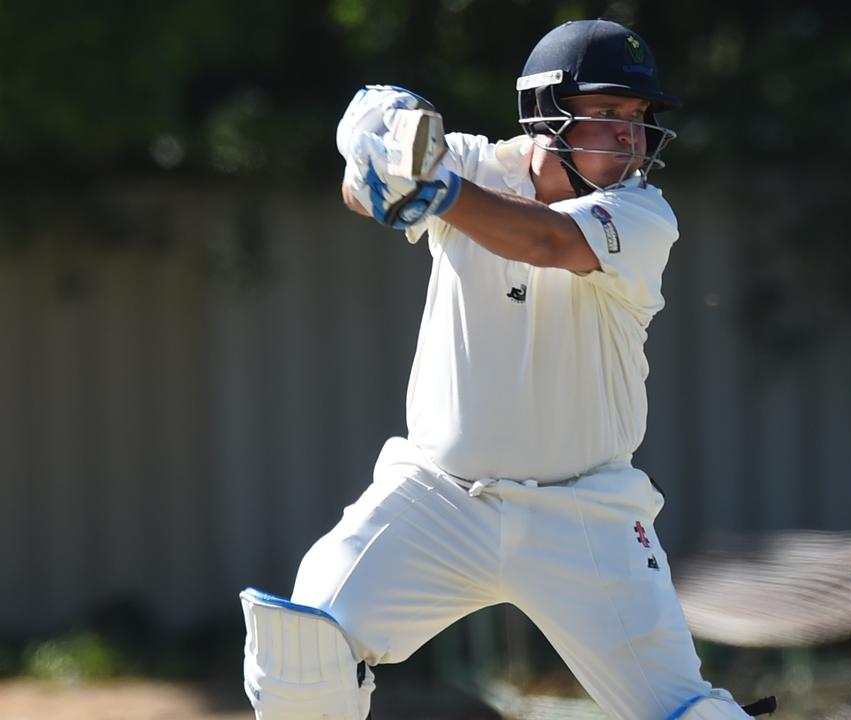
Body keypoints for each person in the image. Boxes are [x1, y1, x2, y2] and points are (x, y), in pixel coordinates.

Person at [239, 19, 775, 720]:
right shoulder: (470, 162)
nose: (630, 137)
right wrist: (380, 142)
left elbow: (545, 239)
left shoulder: (644, 216)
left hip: (585, 514)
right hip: (437, 499)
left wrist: (434, 191)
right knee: (299, 655)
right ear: (547, 111)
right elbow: (364, 166)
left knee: (685, 712)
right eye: (610, 113)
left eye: (639, 119)